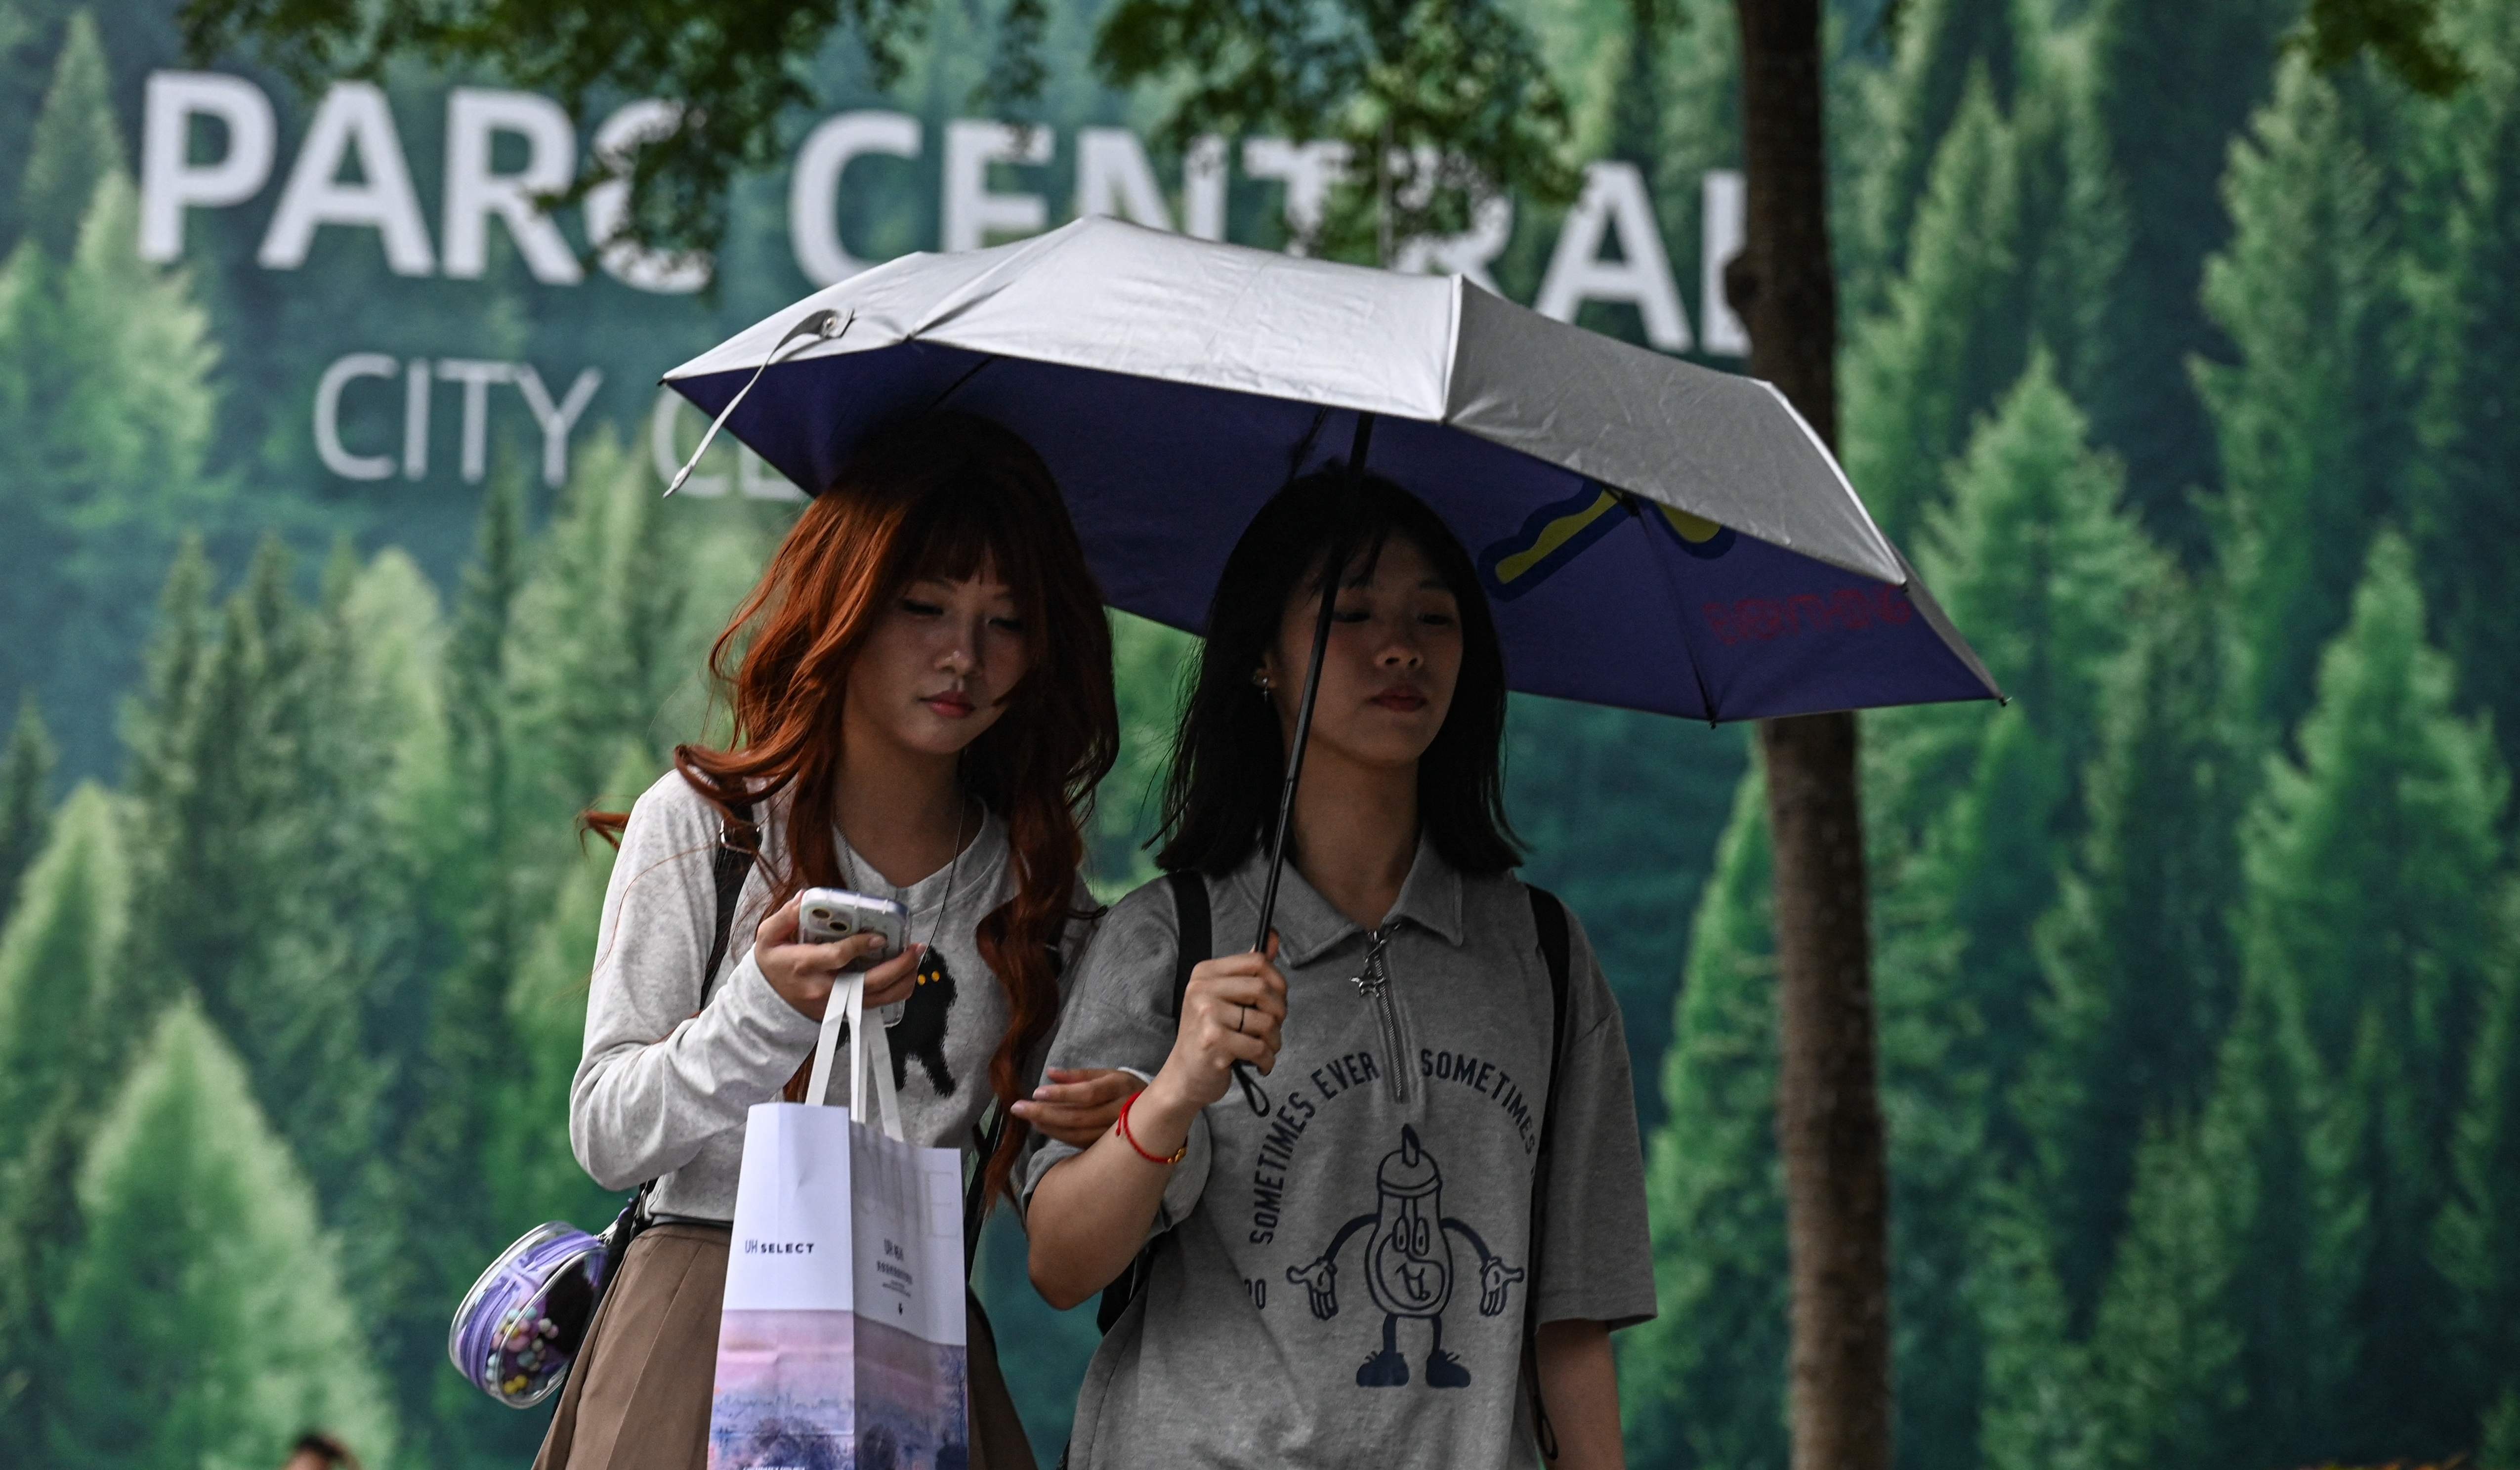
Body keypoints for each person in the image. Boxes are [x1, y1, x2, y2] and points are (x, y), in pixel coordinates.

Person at [535, 412, 1141, 1470]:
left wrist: (1121, 1118)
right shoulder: (709, 828)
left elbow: (1059, 1197)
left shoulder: (1040, 895)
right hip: (697, 1319)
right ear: (847, 607)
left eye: (1006, 622)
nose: (965, 656)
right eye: (925, 607)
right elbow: (608, 1135)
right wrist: (764, 1012)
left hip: (913, 1341)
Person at [1023, 469, 1654, 1469]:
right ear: (1263, 660)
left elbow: (1570, 1317)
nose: (1398, 646)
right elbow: (1059, 1262)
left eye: (1433, 618)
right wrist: (1179, 1088)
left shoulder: (1542, 955)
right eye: (1351, 612)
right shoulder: (1167, 936)